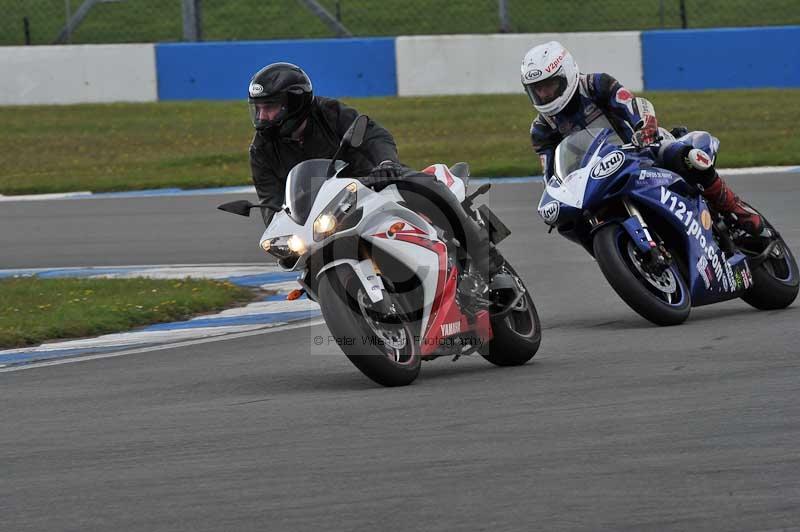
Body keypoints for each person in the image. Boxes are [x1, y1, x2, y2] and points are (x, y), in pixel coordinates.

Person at [247, 62, 497, 279]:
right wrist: (284, 238)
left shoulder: (328, 112)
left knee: (427, 187)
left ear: (295, 103)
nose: (262, 116)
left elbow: (374, 135)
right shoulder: (261, 150)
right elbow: (271, 202)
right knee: (308, 271)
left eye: (269, 108)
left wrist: (387, 164)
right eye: (258, 109)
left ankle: (484, 257)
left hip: (373, 181)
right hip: (325, 214)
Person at [520, 41, 763, 235]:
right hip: (596, 178)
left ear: (566, 74)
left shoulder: (595, 84)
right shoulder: (542, 129)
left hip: (640, 152)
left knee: (687, 157)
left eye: (549, 85)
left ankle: (735, 208)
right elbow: (550, 175)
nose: (543, 94)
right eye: (537, 89)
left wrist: (644, 128)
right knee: (573, 222)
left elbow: (632, 104)